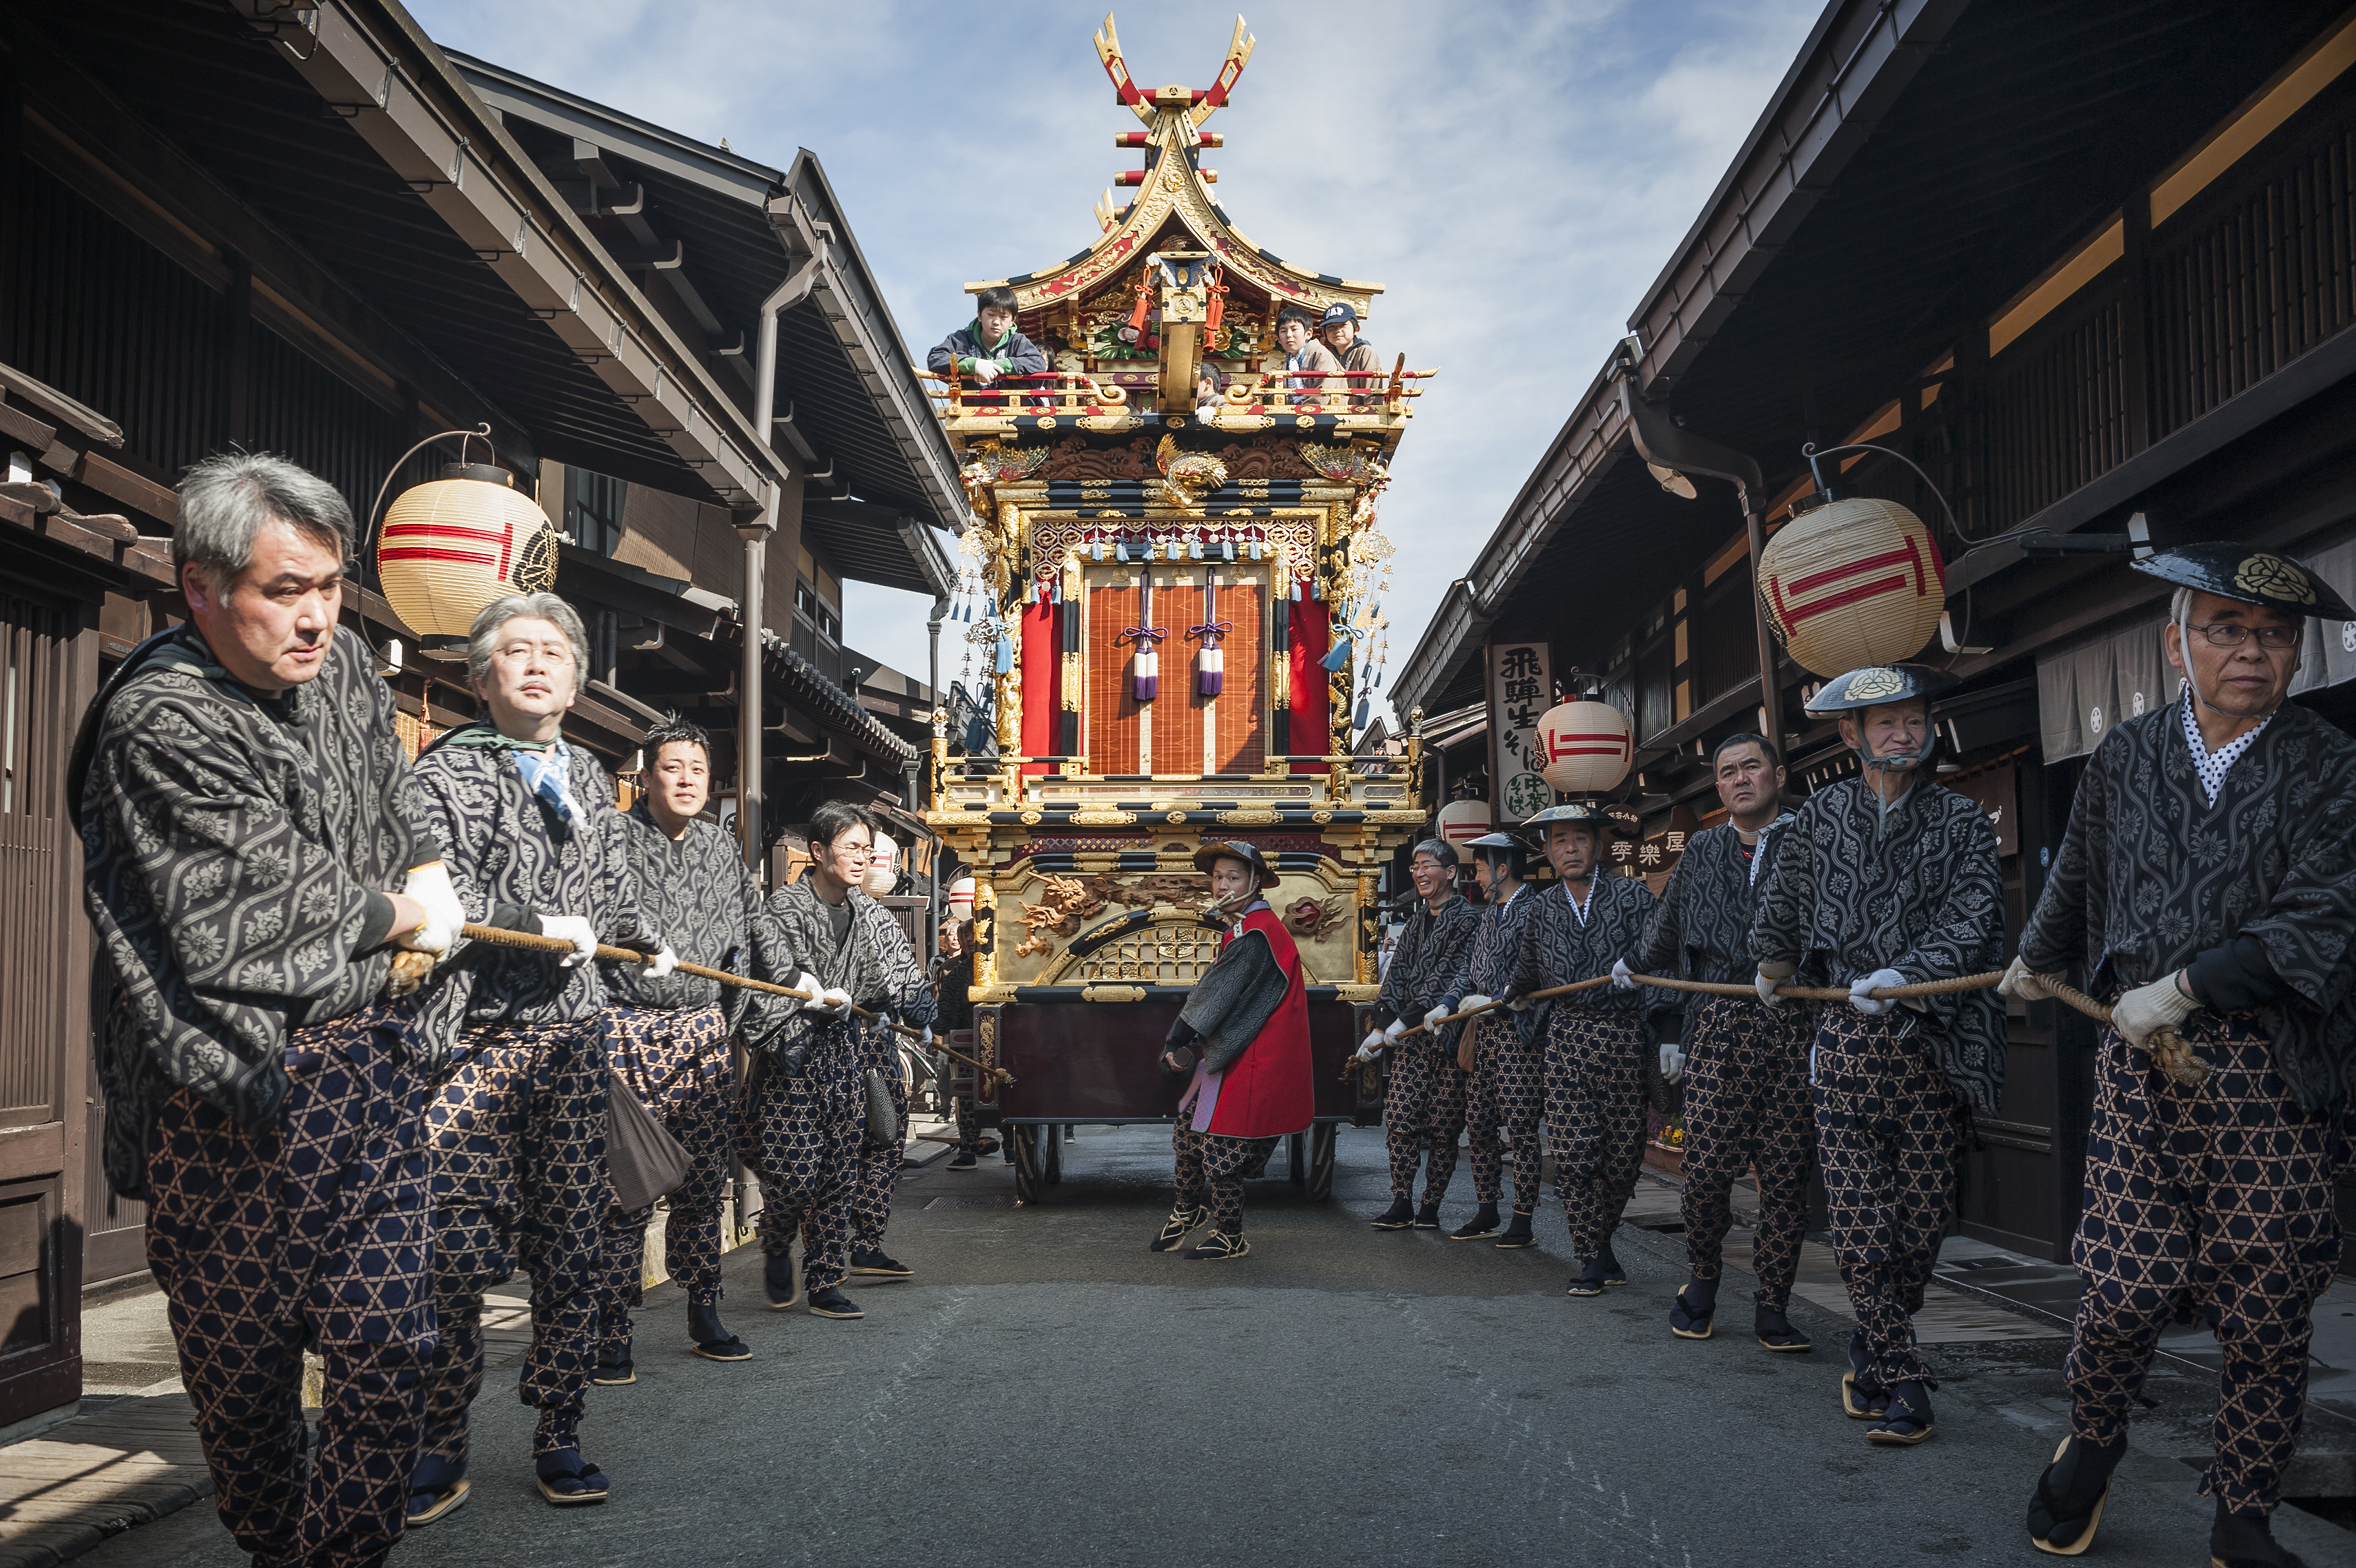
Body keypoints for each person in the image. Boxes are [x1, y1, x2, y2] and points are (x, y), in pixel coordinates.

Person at [76, 453, 462, 1566]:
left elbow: (391, 802)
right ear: (199, 586)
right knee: (244, 1390)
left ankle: (341, 1553)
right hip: (226, 1091)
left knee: (393, 1344)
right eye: (282, 590)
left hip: (368, 1073)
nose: (314, 618)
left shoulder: (342, 666)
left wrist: (425, 869)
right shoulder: (160, 716)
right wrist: (402, 925)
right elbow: (253, 922)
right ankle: (277, 1545)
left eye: (330, 586)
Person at [2011, 546, 2356, 1567]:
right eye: (2225, 628)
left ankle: (2241, 1509)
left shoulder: (2331, 764)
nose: (2250, 651)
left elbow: (2322, 910)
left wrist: (2192, 983)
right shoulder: (2123, 753)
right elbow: (2075, 876)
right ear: (2175, 642)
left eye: (2272, 635)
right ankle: (2095, 1437)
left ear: (2296, 653)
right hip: (2139, 1068)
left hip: (2278, 1072)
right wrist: (2034, 960)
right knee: (2120, 1286)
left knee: (2266, 1305)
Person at [405, 593, 678, 1515]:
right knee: (448, 1249)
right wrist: (527, 925)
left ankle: (559, 1427)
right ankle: (440, 1440)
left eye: (552, 651)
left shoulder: (595, 775)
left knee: (573, 1247)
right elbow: (442, 898)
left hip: (570, 1042)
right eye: (512, 652)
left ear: (575, 674)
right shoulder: (441, 772)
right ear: (481, 677)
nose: (534, 664)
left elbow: (608, 887)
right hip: (472, 1038)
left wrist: (643, 934)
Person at [1752, 663, 2004, 1449]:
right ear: (1849, 733)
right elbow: (1784, 910)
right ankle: (1904, 1379)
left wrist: (1910, 977)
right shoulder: (1817, 817)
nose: (1904, 730)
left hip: (1934, 1042)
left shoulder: (1963, 820)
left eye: (1914, 716)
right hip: (1849, 1042)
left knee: (1922, 1225)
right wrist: (1772, 966)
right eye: (1886, 720)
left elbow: (1976, 918)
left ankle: (1874, 1344)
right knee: (1862, 1222)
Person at [592, 717, 803, 1385]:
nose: (686, 780)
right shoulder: (613, 839)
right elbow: (604, 912)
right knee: (624, 1186)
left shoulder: (719, 845)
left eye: (698, 770)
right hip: (625, 1026)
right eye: (673, 767)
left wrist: (796, 977)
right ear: (646, 774)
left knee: (702, 1181)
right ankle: (611, 1323)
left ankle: (702, 1306)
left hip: (703, 1031)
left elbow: (758, 917)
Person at [1629, 734, 1813, 1350]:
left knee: (1786, 1177)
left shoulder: (1811, 841)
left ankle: (1773, 1304)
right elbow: (1663, 933)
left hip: (1793, 1025)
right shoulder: (1705, 848)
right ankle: (1703, 1279)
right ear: (1718, 787)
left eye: (1751, 766)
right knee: (1705, 1171)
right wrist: (1638, 977)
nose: (1739, 779)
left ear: (1778, 774)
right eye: (1727, 771)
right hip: (1716, 1022)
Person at [739, 803, 931, 1320]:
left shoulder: (861, 912)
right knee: (794, 1178)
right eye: (851, 847)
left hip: (845, 1058)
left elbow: (875, 981)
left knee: (838, 1175)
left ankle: (826, 1279)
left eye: (866, 849)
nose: (861, 858)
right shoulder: (784, 908)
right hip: (793, 1064)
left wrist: (895, 1009)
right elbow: (769, 974)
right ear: (818, 851)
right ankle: (776, 1238)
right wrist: (807, 991)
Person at [1506, 803, 1671, 1297]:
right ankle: (1590, 1256)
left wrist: (1668, 1030)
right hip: (1566, 1038)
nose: (1569, 849)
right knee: (1575, 1156)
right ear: (1548, 851)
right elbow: (1528, 971)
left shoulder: (1633, 896)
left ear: (1597, 846)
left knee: (1621, 1160)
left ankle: (1601, 1242)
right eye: (1559, 841)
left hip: (1621, 1038)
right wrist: (1509, 994)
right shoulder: (1541, 906)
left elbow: (1659, 962)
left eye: (1579, 839)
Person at [1152, 843, 1316, 1259]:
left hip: (1257, 1056)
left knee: (1223, 1150)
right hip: (1232, 1053)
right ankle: (1188, 1210)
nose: (1222, 886)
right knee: (1187, 1135)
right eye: (1218, 877)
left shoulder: (1257, 933)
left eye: (1233, 878)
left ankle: (1230, 1235)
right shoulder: (1243, 927)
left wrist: (1176, 1039)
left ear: (1256, 882)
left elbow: (1215, 996)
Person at [1359, 839, 1482, 1232]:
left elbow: (1446, 978)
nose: (1419, 873)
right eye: (1415, 866)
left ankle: (1431, 1205)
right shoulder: (1414, 922)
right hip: (1411, 1041)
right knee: (1399, 1118)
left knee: (1444, 1127)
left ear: (1450, 872)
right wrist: (1381, 1024)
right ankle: (1401, 1200)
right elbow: (1396, 978)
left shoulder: (1468, 920)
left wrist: (1400, 1022)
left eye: (1427, 865)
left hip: (1446, 1036)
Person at [1436, 830, 1547, 1245]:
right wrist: (1448, 1002)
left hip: (1518, 1034)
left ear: (1503, 870)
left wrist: (1501, 999)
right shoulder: (1490, 913)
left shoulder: (1534, 910)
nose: (1477, 877)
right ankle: (1487, 1208)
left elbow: (1535, 969)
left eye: (1481, 869)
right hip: (1482, 1032)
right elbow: (1469, 968)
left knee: (1520, 1126)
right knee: (1478, 1123)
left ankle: (1523, 1217)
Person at [926, 284, 1047, 402]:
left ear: (1012, 321)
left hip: (1012, 408)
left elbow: (1038, 363)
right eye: (991, 315)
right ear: (980, 315)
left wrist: (998, 366)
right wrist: (974, 365)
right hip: (971, 409)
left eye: (1004, 317)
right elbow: (936, 358)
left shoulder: (1018, 341)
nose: (996, 322)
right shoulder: (961, 339)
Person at [1273, 306, 1341, 404]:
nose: (1289, 335)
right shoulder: (1288, 362)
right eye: (1283, 331)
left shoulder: (1321, 354)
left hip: (1324, 413)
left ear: (1308, 334)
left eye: (1294, 329)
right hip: (1297, 412)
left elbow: (1325, 390)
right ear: (1279, 339)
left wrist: (1305, 410)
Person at [1317, 302, 1381, 406]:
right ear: (1324, 333)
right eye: (1331, 327)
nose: (1337, 331)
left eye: (1343, 325)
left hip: (1360, 416)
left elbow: (1374, 395)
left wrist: (1373, 415)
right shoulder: (1327, 357)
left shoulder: (1364, 352)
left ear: (1357, 329)